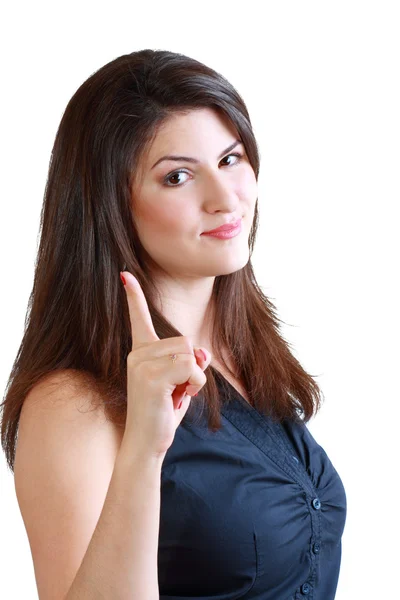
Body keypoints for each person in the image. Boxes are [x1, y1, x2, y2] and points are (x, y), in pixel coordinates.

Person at [1, 49, 347, 599]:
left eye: (231, 160)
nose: (224, 197)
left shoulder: (245, 355)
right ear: (112, 204)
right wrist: (144, 448)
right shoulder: (72, 404)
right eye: (179, 176)